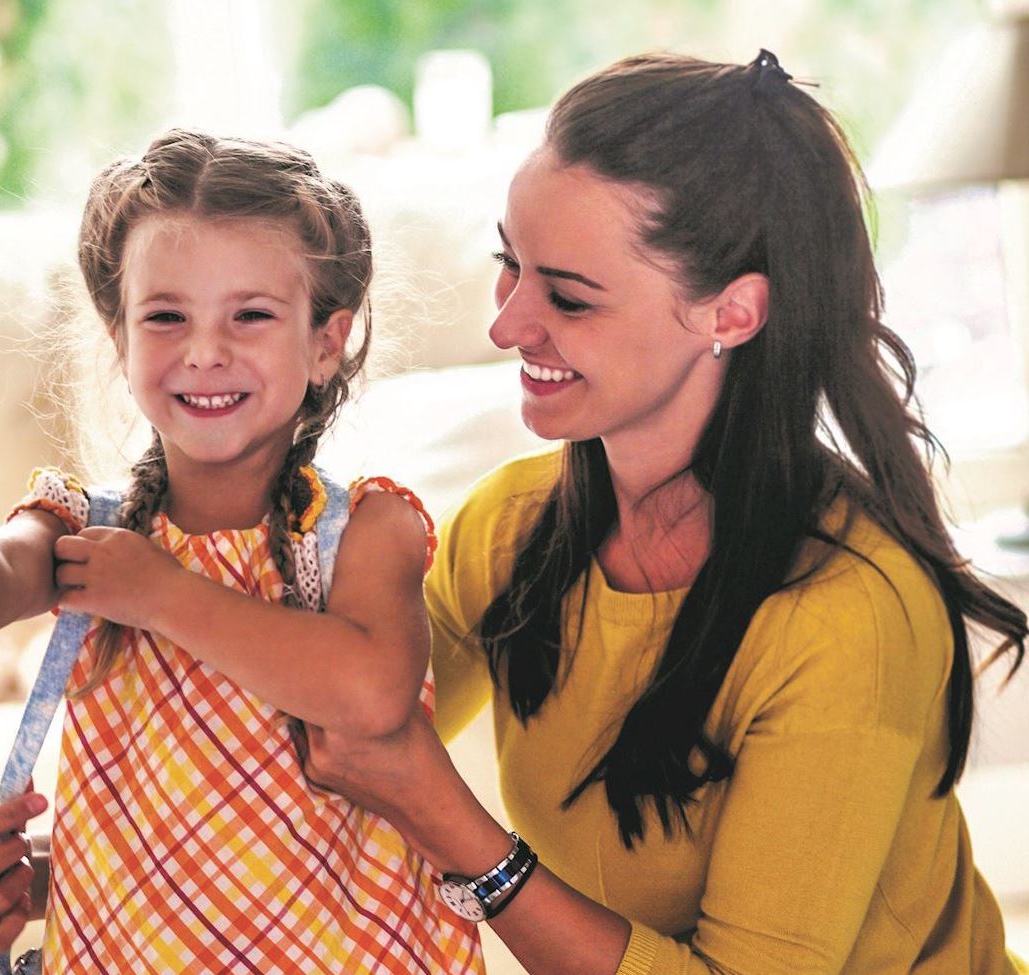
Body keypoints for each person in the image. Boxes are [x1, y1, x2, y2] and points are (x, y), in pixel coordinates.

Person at [298, 50, 1029, 975]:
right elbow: (324, 741)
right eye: (508, 264)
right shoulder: (516, 526)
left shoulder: (846, 619)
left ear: (731, 313)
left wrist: (448, 819)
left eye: (567, 294)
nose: (508, 324)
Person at [0, 129, 486, 973]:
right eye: (166, 316)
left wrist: (164, 595)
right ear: (119, 337)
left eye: (251, 314)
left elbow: (373, 692)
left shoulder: (364, 533)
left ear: (324, 341)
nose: (205, 349)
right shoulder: (90, 536)